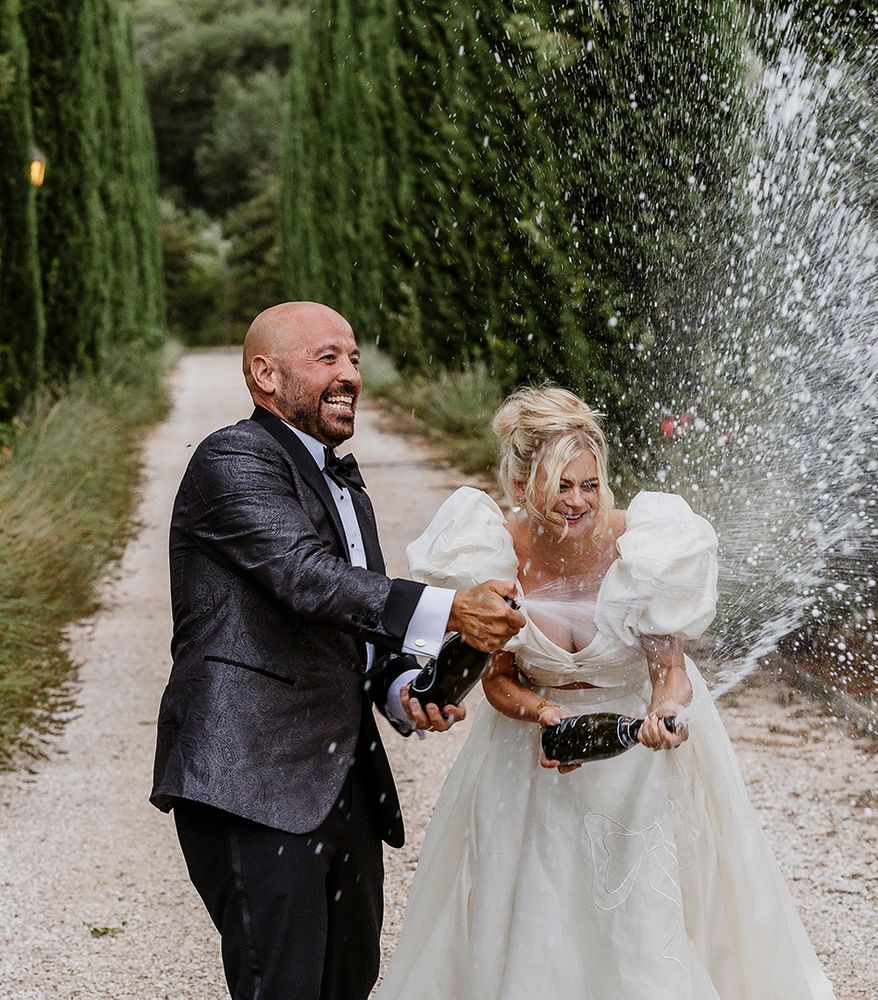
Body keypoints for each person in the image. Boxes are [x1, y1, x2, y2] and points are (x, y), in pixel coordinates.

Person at [375, 386, 836, 1000]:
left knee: (642, 918)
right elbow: (499, 681)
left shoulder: (645, 550)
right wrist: (544, 712)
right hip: (531, 758)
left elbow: (667, 671)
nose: (577, 501)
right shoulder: (492, 550)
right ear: (522, 487)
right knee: (537, 916)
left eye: (589, 485)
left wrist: (665, 712)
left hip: (637, 760)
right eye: (560, 486)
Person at [149, 301, 524, 1000]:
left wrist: (401, 691)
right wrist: (451, 608)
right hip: (250, 778)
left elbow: (357, 616)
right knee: (282, 985)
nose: (350, 373)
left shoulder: (344, 482)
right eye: (327, 358)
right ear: (265, 374)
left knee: (348, 981)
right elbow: (304, 577)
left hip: (342, 780)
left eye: (353, 358)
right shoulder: (230, 459)